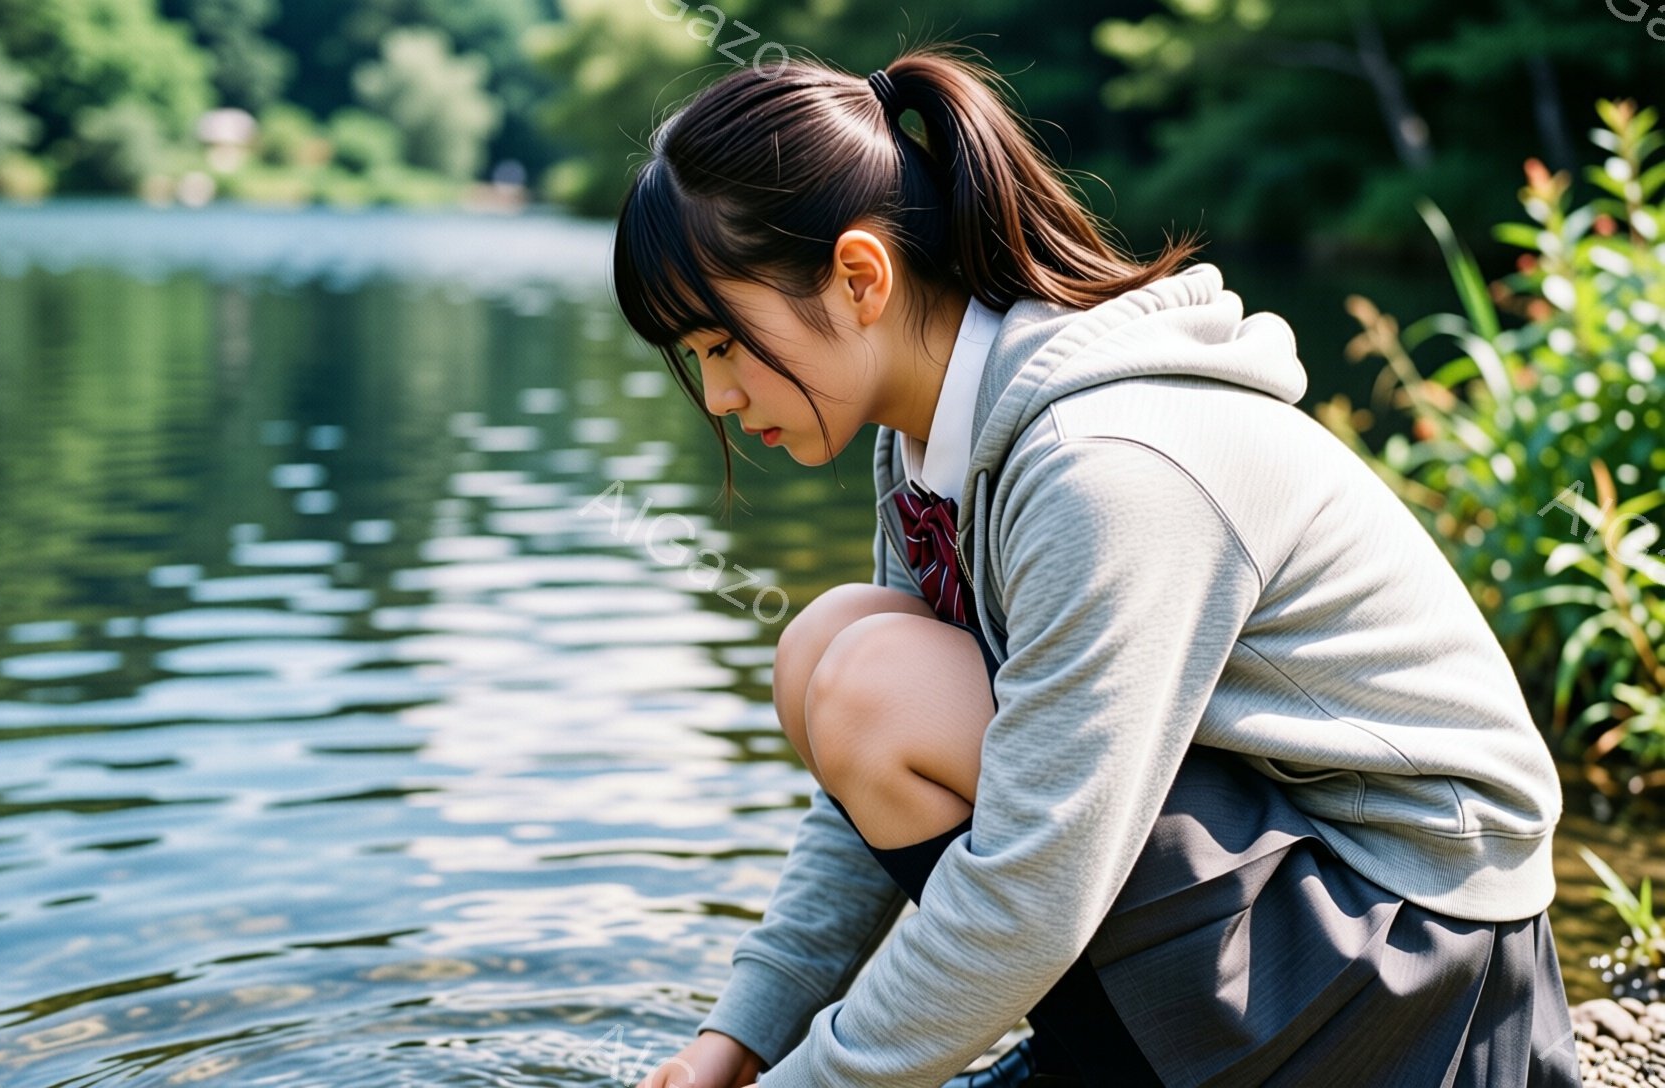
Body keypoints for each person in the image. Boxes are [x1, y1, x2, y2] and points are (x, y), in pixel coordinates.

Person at [609, 42, 1582, 1088]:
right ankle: (1102, 1053)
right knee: (833, 647)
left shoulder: (1101, 467)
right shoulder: (929, 438)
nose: (715, 395)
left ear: (859, 277)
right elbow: (876, 807)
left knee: (869, 685)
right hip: (1302, 897)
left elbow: (1037, 877)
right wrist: (744, 1036)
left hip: (1414, 964)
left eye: (720, 343)